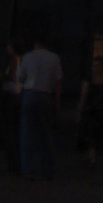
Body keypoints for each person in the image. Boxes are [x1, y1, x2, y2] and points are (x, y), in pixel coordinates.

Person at [16, 35, 61, 178]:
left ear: (35, 43)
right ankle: (47, 169)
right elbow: (58, 80)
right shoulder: (54, 58)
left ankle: (28, 168)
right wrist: (57, 101)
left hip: (30, 93)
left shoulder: (27, 57)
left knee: (27, 132)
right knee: (46, 132)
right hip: (46, 95)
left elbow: (20, 77)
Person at [77, 57, 103, 165]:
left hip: (102, 110)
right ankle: (92, 156)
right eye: (94, 66)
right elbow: (83, 96)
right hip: (90, 110)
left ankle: (92, 153)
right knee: (90, 132)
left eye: (98, 65)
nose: (95, 68)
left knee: (99, 133)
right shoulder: (88, 80)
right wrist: (79, 110)